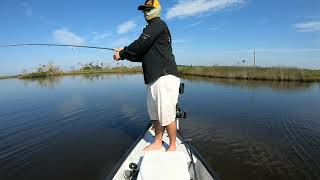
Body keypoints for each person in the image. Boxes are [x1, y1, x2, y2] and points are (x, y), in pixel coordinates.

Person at [113, 0, 180, 152]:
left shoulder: (158, 24)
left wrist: (123, 51)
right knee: (155, 113)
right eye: (144, 9)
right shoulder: (150, 29)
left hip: (165, 76)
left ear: (157, 9)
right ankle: (157, 142)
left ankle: (173, 146)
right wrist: (122, 55)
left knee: (167, 112)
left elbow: (140, 44)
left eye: (149, 9)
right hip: (153, 78)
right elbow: (140, 54)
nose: (146, 12)